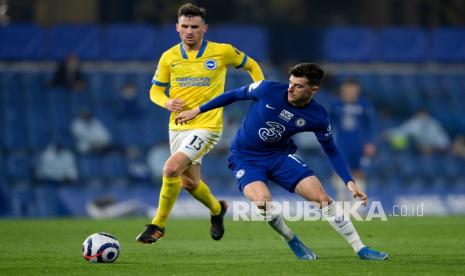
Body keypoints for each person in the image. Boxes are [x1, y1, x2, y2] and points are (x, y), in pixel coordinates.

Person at [175, 63, 388, 260]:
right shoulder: (267, 89)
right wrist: (197, 110)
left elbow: (331, 149)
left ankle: (360, 248)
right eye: (291, 82)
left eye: (298, 85)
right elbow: (232, 95)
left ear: (313, 90)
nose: (291, 88)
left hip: (279, 156)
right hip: (246, 157)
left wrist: (348, 181)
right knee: (262, 202)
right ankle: (290, 238)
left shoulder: (317, 116)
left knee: (322, 197)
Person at [136, 3, 265, 244]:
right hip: (177, 127)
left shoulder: (222, 51)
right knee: (190, 183)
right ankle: (218, 210)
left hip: (207, 125)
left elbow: (252, 65)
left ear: (204, 28)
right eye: (184, 26)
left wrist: (260, 91)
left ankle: (158, 225)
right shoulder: (169, 57)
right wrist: (166, 102)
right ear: (177, 27)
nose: (189, 31)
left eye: (194, 26)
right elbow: (155, 91)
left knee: (171, 169)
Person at [329, 79, 376, 202]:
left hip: (359, 144)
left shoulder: (364, 105)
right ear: (342, 91)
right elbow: (328, 125)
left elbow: (371, 125)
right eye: (347, 91)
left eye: (353, 91)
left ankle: (358, 203)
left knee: (359, 172)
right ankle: (341, 201)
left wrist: (370, 143)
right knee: (340, 170)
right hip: (341, 143)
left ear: (357, 91)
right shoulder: (335, 105)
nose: (350, 93)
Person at [385, 108, 450, 155]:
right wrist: (388, 133)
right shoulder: (415, 122)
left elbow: (444, 143)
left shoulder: (433, 124)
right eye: (420, 114)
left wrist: (432, 149)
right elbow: (403, 130)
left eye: (424, 114)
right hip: (417, 149)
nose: (422, 116)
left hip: (436, 151)